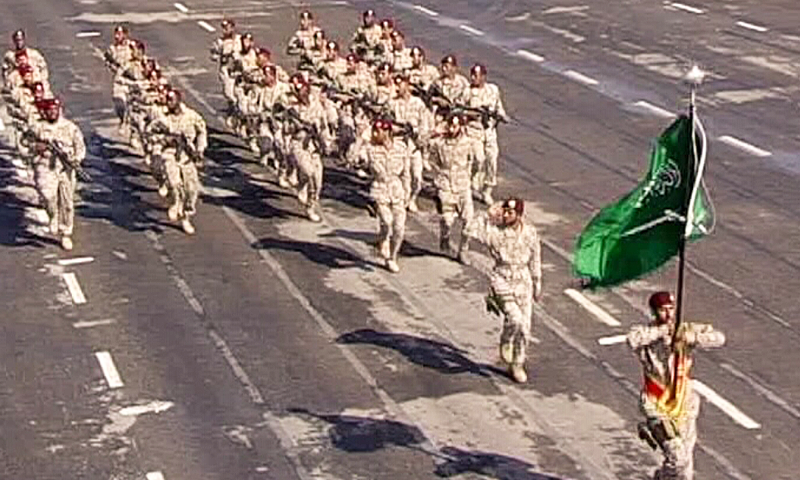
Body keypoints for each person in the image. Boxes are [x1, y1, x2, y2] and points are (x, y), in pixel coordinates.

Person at [627, 291, 725, 480]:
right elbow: (632, 340)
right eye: (664, 310)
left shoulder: (684, 329)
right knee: (677, 459)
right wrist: (662, 332)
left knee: (685, 466)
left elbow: (719, 338)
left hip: (684, 402)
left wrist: (692, 338)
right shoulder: (647, 332)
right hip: (657, 402)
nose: (669, 314)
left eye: (671, 309)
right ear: (655, 312)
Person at [465, 197, 541, 383]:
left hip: (523, 280)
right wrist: (488, 214)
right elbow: (469, 229)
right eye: (505, 211)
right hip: (502, 277)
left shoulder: (530, 233)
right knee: (514, 319)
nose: (506, 215)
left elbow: (535, 256)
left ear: (519, 215)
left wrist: (537, 280)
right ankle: (506, 340)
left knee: (524, 328)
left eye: (510, 212)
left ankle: (517, 364)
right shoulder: (495, 232)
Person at [29, 98, 87, 250]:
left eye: (55, 109)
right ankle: (52, 215)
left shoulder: (69, 127)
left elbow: (79, 145)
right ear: (45, 112)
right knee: (48, 196)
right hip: (46, 166)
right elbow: (24, 141)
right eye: (50, 110)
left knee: (67, 203)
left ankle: (66, 232)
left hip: (65, 168)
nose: (53, 112)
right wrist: (36, 146)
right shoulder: (38, 127)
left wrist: (77, 159)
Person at [147, 89, 207, 234]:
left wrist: (200, 149)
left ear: (179, 100)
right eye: (167, 99)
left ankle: (186, 216)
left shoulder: (191, 116)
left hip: (187, 155)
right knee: (174, 182)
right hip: (170, 153)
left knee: (191, 189)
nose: (168, 102)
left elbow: (202, 131)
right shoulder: (163, 119)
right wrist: (164, 139)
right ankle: (175, 202)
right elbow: (150, 132)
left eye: (171, 99)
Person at [358, 118, 410, 272]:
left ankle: (392, 258)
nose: (375, 134)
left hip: (397, 189)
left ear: (387, 132)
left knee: (399, 229)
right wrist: (360, 139)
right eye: (374, 131)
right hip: (380, 189)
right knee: (387, 222)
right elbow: (353, 158)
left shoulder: (401, 148)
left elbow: (406, 173)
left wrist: (407, 192)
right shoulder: (370, 149)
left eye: (378, 132)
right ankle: (383, 240)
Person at [428, 113, 473, 261]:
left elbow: (475, 160)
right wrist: (437, 176)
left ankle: (463, 251)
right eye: (450, 126)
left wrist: (470, 176)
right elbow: (431, 159)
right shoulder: (439, 143)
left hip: (463, 185)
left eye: (455, 126)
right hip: (446, 185)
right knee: (448, 221)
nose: (453, 129)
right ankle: (445, 236)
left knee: (469, 221)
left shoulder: (468, 142)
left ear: (461, 126)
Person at [463, 63, 507, 204]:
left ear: (483, 76)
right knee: (478, 158)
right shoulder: (467, 92)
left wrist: (502, 116)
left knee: (492, 161)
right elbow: (458, 109)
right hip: (474, 131)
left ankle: (488, 189)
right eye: (472, 75)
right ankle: (472, 182)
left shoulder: (493, 90)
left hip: (489, 132)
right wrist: (471, 114)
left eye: (477, 75)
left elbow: (498, 106)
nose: (474, 78)